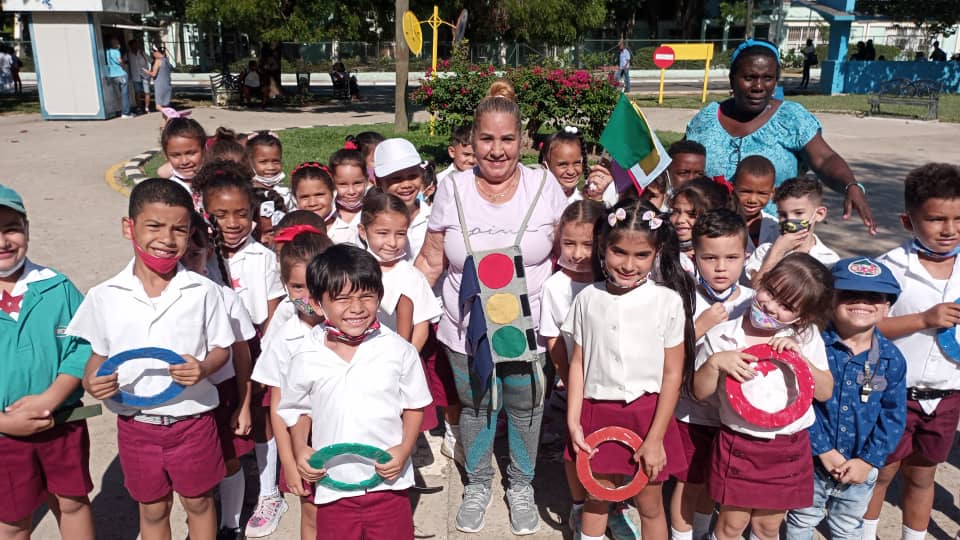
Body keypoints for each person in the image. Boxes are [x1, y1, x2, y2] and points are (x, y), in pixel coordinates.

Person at [414, 80, 568, 535]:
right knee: (476, 406)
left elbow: (573, 250)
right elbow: (431, 260)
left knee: (526, 407)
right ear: (472, 140)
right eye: (486, 139)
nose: (497, 150)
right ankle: (478, 483)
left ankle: (522, 484)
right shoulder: (453, 188)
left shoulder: (544, 186)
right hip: (466, 329)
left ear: (523, 140)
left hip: (529, 328)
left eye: (507, 139)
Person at [69, 178, 235, 540]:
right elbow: (98, 355)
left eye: (179, 229)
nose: (167, 238)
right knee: (152, 508)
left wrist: (204, 367)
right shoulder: (105, 295)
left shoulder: (204, 291)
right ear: (128, 227)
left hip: (193, 421)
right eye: (154, 226)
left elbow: (222, 348)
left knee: (199, 502)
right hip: (137, 425)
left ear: (190, 233)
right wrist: (92, 381)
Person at [278, 244, 433, 540]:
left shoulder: (398, 350)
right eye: (342, 299)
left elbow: (415, 405)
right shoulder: (305, 354)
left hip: (389, 483)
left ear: (379, 297)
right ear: (318, 304)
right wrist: (300, 447)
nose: (356, 308)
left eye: (366, 296)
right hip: (332, 485)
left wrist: (404, 449)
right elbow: (298, 409)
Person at [564, 199, 696, 540]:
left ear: (657, 253)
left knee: (650, 504)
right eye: (619, 252)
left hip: (648, 416)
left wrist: (655, 439)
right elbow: (578, 363)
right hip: (596, 413)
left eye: (641, 255)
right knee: (596, 498)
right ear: (603, 247)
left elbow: (673, 374)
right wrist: (574, 421)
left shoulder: (667, 302)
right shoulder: (587, 299)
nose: (628, 264)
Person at [693, 253, 835, 540]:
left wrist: (801, 359)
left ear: (803, 316)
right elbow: (699, 392)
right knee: (731, 526)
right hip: (738, 441)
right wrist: (716, 363)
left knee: (768, 528)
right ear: (762, 281)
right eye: (770, 291)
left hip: (787, 446)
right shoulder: (722, 335)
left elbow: (824, 391)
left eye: (786, 306)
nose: (770, 305)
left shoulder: (806, 336)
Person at [685, 39, 875, 234]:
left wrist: (851, 185)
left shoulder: (792, 118)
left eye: (768, 78)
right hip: (709, 239)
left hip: (776, 239)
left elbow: (824, 159)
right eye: (749, 77)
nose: (758, 86)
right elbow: (682, 167)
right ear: (732, 79)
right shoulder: (706, 120)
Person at [862, 163, 960, 540]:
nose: (949, 229)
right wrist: (922, 319)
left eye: (958, 219)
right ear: (908, 221)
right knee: (881, 472)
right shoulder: (889, 269)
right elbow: (866, 327)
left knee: (922, 475)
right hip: (894, 394)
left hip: (947, 395)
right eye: (936, 219)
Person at [785, 256, 907, 540]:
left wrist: (868, 461)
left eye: (874, 296)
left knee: (847, 527)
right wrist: (823, 449)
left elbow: (893, 417)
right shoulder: (810, 346)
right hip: (811, 460)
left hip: (860, 467)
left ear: (887, 306)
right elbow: (798, 402)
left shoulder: (892, 360)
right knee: (801, 520)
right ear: (829, 300)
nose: (861, 301)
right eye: (849, 293)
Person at [0, 185, 96, 540]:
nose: (3, 241)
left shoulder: (56, 286)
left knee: (72, 503)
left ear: (26, 229)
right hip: (3, 436)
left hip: (62, 422)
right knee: (12, 520)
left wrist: (51, 397)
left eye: (11, 228)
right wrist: (5, 422)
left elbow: (84, 345)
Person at [200, 162, 289, 538]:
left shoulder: (264, 258)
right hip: (215, 352)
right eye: (221, 215)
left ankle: (269, 494)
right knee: (225, 424)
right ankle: (226, 495)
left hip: (256, 348)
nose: (232, 223)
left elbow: (273, 314)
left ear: (253, 213)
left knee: (262, 418)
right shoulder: (201, 256)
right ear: (205, 214)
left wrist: (265, 361)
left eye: (241, 213)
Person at [672, 209, 755, 540]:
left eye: (731, 257)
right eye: (710, 258)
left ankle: (702, 532)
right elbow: (664, 353)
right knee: (688, 481)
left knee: (713, 481)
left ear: (745, 256)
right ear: (694, 257)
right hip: (691, 413)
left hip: (733, 415)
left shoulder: (754, 302)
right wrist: (700, 325)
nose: (721, 267)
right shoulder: (682, 298)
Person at [181, 212, 256, 540]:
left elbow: (242, 354)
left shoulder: (224, 296)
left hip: (223, 391)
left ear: (209, 252)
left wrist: (245, 404)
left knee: (229, 460)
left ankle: (230, 524)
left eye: (194, 254)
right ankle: (198, 524)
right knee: (192, 469)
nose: (186, 262)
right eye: (180, 255)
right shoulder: (163, 299)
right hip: (183, 397)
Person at [252, 228, 331, 540]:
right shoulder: (284, 337)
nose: (308, 296)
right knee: (312, 511)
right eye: (298, 286)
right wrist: (287, 458)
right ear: (285, 285)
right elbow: (277, 404)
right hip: (304, 438)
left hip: (346, 429)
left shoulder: (352, 325)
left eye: (316, 284)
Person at [746, 176, 840, 285]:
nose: (790, 220)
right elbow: (755, 288)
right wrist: (777, 251)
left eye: (798, 213)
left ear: (819, 214)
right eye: (782, 214)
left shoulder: (829, 260)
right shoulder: (765, 251)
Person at [373, 139, 434, 260]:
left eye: (412, 176)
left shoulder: (435, 217)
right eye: (396, 179)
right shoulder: (370, 221)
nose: (406, 184)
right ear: (378, 182)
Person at [538, 126, 617, 207]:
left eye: (577, 163)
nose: (571, 171)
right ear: (546, 166)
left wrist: (596, 198)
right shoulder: (535, 198)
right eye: (563, 165)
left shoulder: (582, 202)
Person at [670, 177, 733, 274]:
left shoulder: (722, 257)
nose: (680, 220)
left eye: (692, 214)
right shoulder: (661, 252)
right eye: (676, 212)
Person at [732, 155, 779, 255]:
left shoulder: (776, 227)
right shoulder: (721, 225)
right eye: (746, 191)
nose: (752, 200)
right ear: (733, 187)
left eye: (762, 193)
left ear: (772, 193)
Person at [160, 117, 207, 209]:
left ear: (204, 150)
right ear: (166, 155)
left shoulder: (216, 181)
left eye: (191, 153)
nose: (184, 161)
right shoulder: (168, 190)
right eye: (176, 155)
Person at [328, 148, 366, 246]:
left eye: (357, 183)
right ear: (331, 182)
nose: (351, 191)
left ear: (366, 179)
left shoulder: (375, 212)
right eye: (343, 184)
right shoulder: (327, 214)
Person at [246, 131, 293, 210]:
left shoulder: (286, 192)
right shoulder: (247, 193)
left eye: (276, 161)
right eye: (263, 162)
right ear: (250, 162)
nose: (271, 167)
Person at [105, 38, 132, 118]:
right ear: (115, 44)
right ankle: (126, 113)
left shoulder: (107, 51)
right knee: (125, 94)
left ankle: (118, 110)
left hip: (112, 75)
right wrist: (123, 67)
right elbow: (120, 61)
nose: (119, 44)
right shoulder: (116, 51)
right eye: (117, 43)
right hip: (121, 74)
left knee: (117, 94)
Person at [143, 44, 172, 110]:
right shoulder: (166, 60)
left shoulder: (158, 61)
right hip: (168, 85)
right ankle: (167, 116)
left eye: (153, 53)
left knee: (158, 106)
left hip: (160, 85)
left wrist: (146, 71)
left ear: (157, 52)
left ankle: (171, 114)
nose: (153, 55)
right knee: (166, 105)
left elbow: (153, 74)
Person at [128, 39, 151, 114]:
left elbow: (151, 60)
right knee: (137, 92)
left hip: (145, 75)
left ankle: (147, 108)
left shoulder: (142, 53)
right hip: (135, 75)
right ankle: (139, 107)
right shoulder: (128, 54)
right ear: (130, 46)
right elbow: (124, 61)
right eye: (133, 45)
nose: (135, 46)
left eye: (136, 44)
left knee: (147, 92)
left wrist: (150, 71)